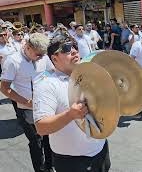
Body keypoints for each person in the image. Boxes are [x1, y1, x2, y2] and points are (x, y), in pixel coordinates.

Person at [33, 37, 111, 172]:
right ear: (55, 58)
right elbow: (41, 127)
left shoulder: (89, 74)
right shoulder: (47, 84)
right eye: (67, 49)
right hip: (72, 161)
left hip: (101, 149)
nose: (74, 51)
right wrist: (70, 115)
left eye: (75, 46)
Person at [0, 32, 55, 172]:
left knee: (48, 139)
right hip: (26, 109)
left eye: (43, 55)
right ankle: (40, 169)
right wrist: (26, 102)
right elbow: (4, 88)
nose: (41, 58)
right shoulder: (13, 61)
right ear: (28, 47)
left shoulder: (42, 56)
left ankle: (49, 166)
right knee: (36, 142)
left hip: (44, 105)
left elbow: (52, 72)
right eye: (38, 55)